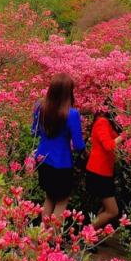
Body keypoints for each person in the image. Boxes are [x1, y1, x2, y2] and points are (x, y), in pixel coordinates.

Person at [31, 73, 85, 226]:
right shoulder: (72, 114)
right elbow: (79, 145)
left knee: (49, 197)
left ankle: (41, 239)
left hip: (42, 160)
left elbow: (34, 131)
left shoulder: (39, 106)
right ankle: (52, 242)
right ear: (69, 92)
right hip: (62, 163)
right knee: (61, 202)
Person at [85, 107, 122, 230]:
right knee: (112, 211)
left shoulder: (106, 122)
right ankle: (87, 235)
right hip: (99, 172)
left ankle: (93, 235)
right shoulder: (102, 122)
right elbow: (109, 145)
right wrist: (126, 134)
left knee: (105, 208)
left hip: (103, 172)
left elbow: (114, 138)